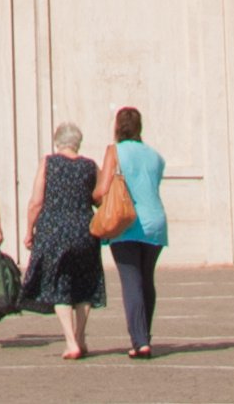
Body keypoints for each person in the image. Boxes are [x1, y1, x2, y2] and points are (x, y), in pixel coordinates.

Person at [16, 121, 106, 358]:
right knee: (84, 285)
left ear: (58, 142)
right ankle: (80, 337)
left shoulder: (49, 163)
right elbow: (100, 199)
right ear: (78, 143)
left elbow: (36, 202)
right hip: (84, 232)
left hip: (53, 232)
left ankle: (70, 342)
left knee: (59, 286)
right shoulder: (90, 166)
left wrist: (28, 231)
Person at [104, 104, 169, 360]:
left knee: (131, 281)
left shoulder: (114, 151)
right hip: (155, 221)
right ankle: (146, 335)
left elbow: (103, 187)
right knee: (146, 279)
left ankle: (140, 341)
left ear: (118, 127)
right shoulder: (156, 156)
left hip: (126, 222)